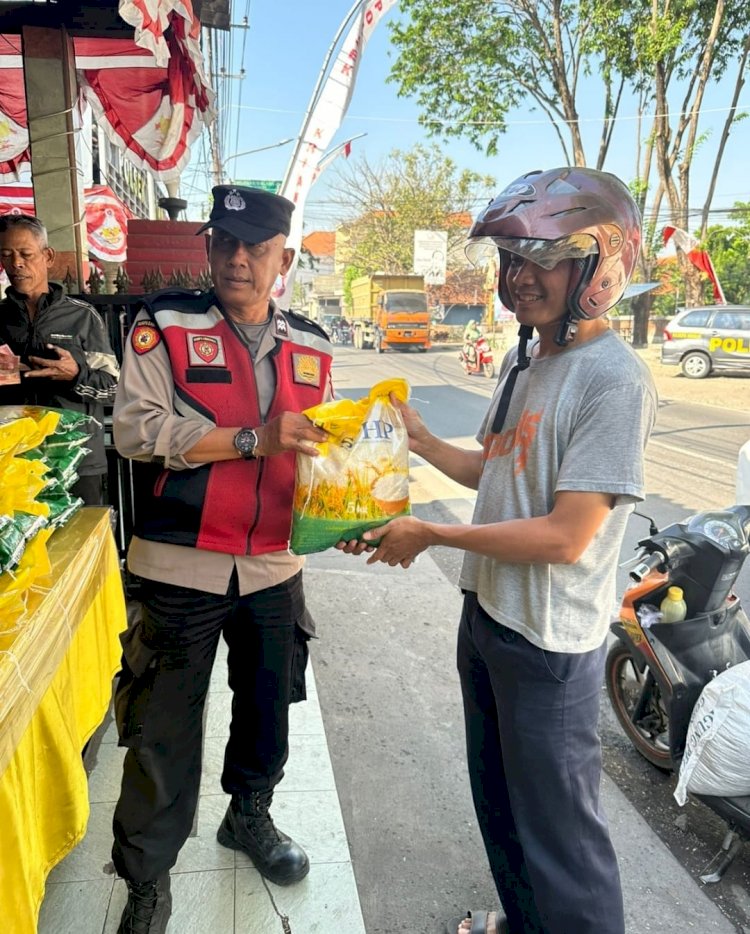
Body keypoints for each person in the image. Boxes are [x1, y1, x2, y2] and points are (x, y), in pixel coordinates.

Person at [341, 167, 657, 934]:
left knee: (563, 844)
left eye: (542, 260)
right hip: (487, 616)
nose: (519, 280)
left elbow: (566, 534)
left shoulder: (613, 381)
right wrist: (416, 444)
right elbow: (494, 468)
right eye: (511, 262)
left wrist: (432, 534)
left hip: (549, 646)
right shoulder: (526, 359)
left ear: (598, 268)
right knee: (502, 808)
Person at [111, 185, 333, 934]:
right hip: (179, 563)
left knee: (268, 711)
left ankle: (249, 817)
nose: (239, 260)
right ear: (208, 248)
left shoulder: (315, 342)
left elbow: (324, 456)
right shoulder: (164, 324)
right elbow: (136, 431)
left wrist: (357, 509)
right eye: (226, 244)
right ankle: (146, 881)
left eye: (257, 248)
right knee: (161, 733)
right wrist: (250, 440)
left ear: (285, 258)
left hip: (275, 565)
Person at [0, 213, 119, 504]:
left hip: (78, 459)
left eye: (26, 254)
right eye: (6, 255)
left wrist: (76, 375)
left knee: (80, 545)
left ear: (48, 255)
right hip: (13, 460)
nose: (16, 264)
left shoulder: (82, 317)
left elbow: (114, 387)